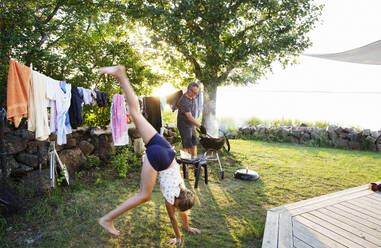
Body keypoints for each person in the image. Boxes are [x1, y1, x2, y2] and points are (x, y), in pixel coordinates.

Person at [98, 66, 201, 245]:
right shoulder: (171, 200)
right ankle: (107, 219)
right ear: (177, 204)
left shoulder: (181, 188)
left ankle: (121, 74)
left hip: (166, 148)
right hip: (159, 157)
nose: (176, 210)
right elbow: (174, 218)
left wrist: (187, 228)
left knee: (136, 112)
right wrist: (178, 237)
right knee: (144, 196)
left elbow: (183, 211)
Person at [177, 82, 206, 157]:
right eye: (194, 92)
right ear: (189, 90)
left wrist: (196, 124)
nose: (195, 94)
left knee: (194, 142)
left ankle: (195, 162)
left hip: (191, 125)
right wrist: (200, 126)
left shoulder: (193, 98)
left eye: (197, 93)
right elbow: (189, 117)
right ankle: (185, 166)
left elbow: (193, 116)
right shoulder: (184, 101)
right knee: (186, 145)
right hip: (184, 125)